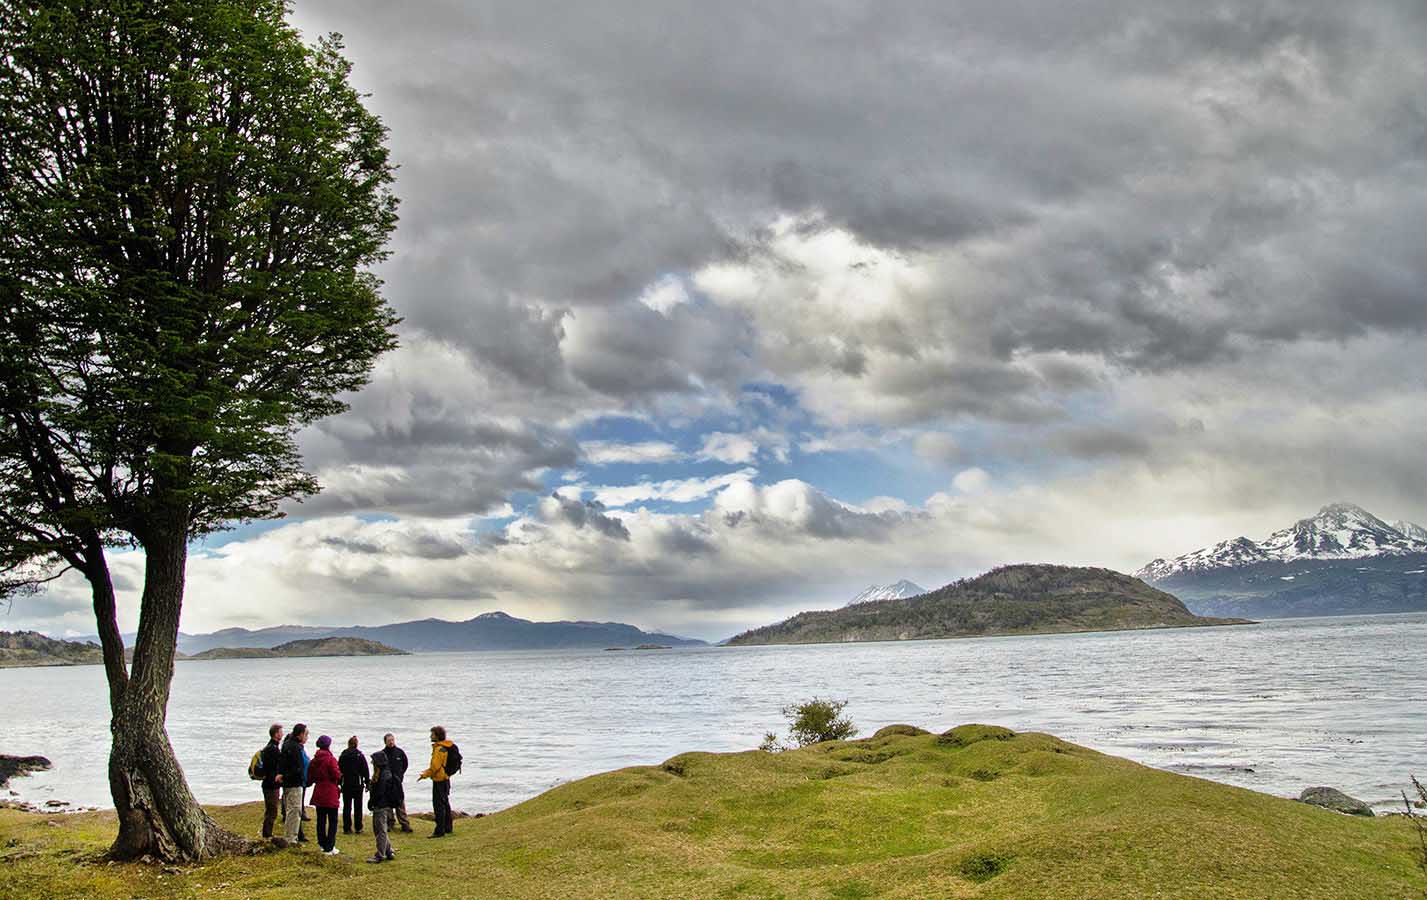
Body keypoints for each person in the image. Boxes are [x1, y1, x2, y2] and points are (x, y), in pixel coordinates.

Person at [417, 725, 456, 837]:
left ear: (437, 736)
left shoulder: (439, 749)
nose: (430, 736)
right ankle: (448, 827)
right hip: (445, 778)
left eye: (432, 734)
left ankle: (439, 830)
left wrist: (424, 774)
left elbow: (435, 767)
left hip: (439, 780)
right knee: (445, 803)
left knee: (439, 805)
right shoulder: (445, 746)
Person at [367, 749, 402, 864]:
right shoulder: (385, 773)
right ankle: (388, 851)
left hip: (381, 805)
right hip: (383, 804)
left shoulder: (383, 775)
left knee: (380, 829)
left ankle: (380, 854)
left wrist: (372, 802)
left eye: (374, 761)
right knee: (380, 828)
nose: (372, 763)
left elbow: (380, 792)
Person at [309, 735, 342, 855]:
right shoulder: (330, 759)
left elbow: (310, 776)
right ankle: (330, 846)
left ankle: (322, 844)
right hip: (331, 792)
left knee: (321, 820)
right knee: (333, 820)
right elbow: (336, 775)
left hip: (319, 791)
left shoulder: (314, 760)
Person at [278, 723, 309, 846]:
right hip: (294, 783)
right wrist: (285, 775)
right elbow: (296, 767)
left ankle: (290, 836)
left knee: (292, 809)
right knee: (295, 810)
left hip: (291, 782)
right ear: (300, 734)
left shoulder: (288, 744)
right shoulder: (294, 747)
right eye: (306, 734)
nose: (307, 737)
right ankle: (291, 838)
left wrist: (281, 774)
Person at [339, 735, 370, 834]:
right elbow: (365, 770)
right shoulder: (359, 755)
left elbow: (339, 769)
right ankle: (358, 827)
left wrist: (339, 783)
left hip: (346, 783)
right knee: (358, 806)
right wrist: (367, 782)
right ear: (356, 744)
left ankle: (347, 827)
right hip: (357, 783)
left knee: (347, 806)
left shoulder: (344, 754)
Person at [383, 733, 413, 833]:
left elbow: (405, 764)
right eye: (389, 740)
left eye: (392, 740)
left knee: (400, 802)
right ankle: (390, 823)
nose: (391, 742)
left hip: (397, 782)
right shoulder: (383, 754)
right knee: (387, 804)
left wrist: (400, 775)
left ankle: (404, 824)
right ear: (385, 742)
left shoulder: (399, 752)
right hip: (387, 782)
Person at [260, 723, 283, 839]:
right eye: (280, 732)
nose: (282, 734)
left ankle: (267, 832)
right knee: (272, 810)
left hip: (269, 783)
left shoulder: (272, 747)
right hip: (270, 784)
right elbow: (272, 767)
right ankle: (267, 834)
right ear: (276, 734)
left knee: (271, 809)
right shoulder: (272, 749)